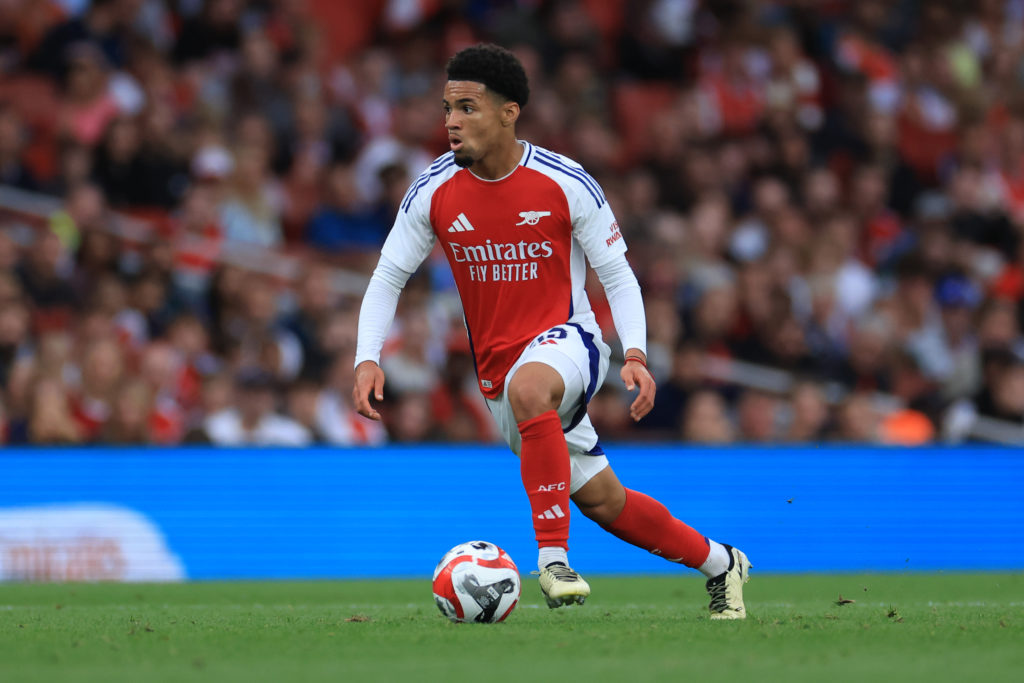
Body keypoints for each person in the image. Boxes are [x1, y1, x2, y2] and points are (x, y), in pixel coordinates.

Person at [353, 44, 750, 618]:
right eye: (446, 108)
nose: (451, 122)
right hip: (498, 375)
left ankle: (553, 561)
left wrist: (634, 353)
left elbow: (616, 272)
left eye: (467, 108)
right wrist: (367, 357)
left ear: (509, 112)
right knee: (604, 501)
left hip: (571, 341)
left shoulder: (564, 181)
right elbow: (388, 275)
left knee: (531, 388)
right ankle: (722, 564)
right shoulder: (433, 191)